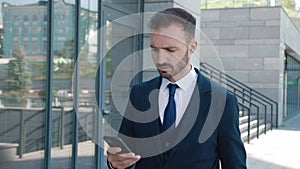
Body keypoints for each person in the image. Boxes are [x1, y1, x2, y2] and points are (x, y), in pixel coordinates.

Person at [107, 8, 247, 169]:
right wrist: (115, 163)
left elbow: (235, 165)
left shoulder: (222, 101)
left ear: (192, 47)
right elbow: (124, 153)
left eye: (170, 50)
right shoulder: (139, 94)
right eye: (154, 48)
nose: (160, 60)